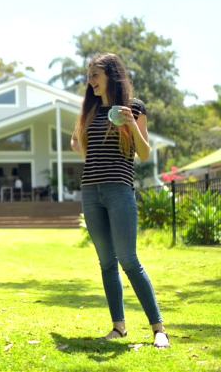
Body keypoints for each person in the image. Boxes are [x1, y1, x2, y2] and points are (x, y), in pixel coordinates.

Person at [71, 53, 169, 348]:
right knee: (106, 262)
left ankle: (159, 328)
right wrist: (76, 143)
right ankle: (119, 327)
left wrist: (132, 125)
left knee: (129, 259)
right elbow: (85, 150)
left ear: (111, 75)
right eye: (89, 76)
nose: (90, 81)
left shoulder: (134, 108)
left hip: (119, 190)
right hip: (91, 191)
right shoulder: (90, 112)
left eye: (95, 75)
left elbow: (145, 153)